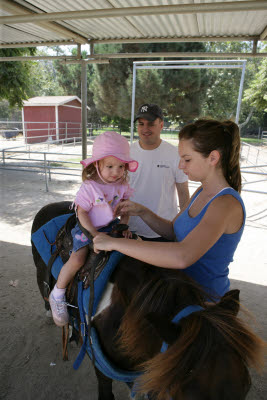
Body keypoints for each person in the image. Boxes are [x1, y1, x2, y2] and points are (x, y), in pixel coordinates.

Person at [93, 119, 246, 300]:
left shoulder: (225, 204)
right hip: (179, 291)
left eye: (187, 159)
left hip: (203, 304)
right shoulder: (201, 191)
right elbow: (174, 231)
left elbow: (183, 256)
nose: (181, 165)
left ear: (213, 158)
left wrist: (114, 243)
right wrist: (142, 212)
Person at [49, 131, 138, 326]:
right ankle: (58, 292)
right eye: (110, 166)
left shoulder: (121, 184)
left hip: (110, 226)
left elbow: (125, 209)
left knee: (136, 250)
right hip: (86, 227)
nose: (116, 172)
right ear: (97, 165)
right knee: (78, 257)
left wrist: (124, 226)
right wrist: (94, 234)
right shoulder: (90, 187)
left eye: (121, 166)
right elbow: (82, 213)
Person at [129, 103, 190, 241]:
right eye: (141, 124)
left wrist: (185, 226)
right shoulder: (126, 153)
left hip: (164, 231)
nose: (145, 129)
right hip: (131, 230)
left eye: (150, 124)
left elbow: (183, 192)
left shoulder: (175, 154)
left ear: (161, 125)